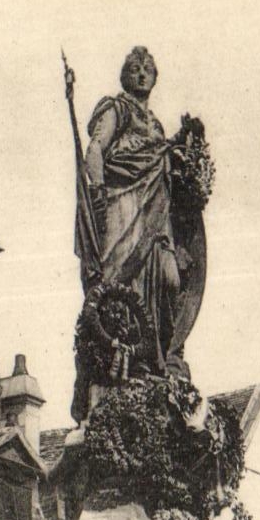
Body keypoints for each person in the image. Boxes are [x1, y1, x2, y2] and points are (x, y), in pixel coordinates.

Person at [79, 47, 205, 377]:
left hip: (157, 216)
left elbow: (166, 162)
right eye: (135, 68)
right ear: (125, 75)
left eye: (147, 68)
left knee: (170, 279)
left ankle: (158, 356)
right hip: (124, 206)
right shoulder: (117, 109)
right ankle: (129, 356)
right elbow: (95, 148)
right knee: (124, 285)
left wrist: (185, 141)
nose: (141, 73)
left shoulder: (157, 126)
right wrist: (97, 191)